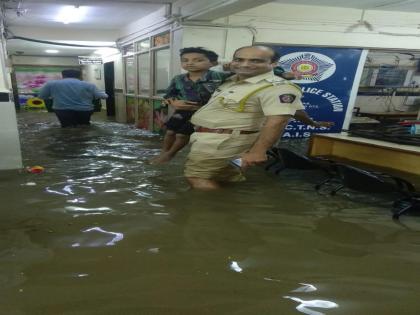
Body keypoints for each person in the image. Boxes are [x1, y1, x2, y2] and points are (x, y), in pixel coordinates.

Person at [184, 45, 308, 190]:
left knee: (197, 177)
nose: (245, 64)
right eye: (239, 59)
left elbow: (278, 120)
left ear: (273, 64)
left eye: (256, 61)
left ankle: (211, 211)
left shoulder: (278, 87)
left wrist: (258, 151)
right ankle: (232, 208)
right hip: (215, 139)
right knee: (225, 177)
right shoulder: (231, 80)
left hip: (224, 142)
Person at [151, 47, 232, 164]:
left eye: (198, 60)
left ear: (212, 63)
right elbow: (169, 94)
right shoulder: (178, 79)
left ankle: (169, 155)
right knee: (169, 132)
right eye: (185, 60)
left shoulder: (219, 76)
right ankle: (164, 151)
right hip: (182, 111)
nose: (190, 63)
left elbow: (242, 76)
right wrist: (173, 102)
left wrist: (225, 64)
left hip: (203, 113)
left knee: (181, 134)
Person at [39, 69, 108, 127]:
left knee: (67, 127)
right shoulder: (88, 84)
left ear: (63, 75)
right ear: (80, 76)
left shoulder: (51, 84)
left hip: (62, 110)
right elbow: (103, 96)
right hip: (84, 110)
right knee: (84, 127)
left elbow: (42, 96)